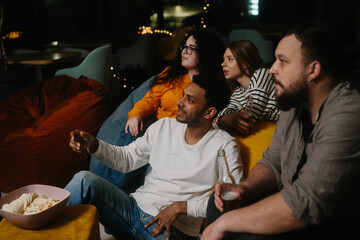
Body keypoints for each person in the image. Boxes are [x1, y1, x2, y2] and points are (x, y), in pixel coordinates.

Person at [202, 22, 360, 240]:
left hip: (330, 222)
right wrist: (243, 190)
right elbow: (273, 161)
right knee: (218, 205)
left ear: (313, 70)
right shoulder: (294, 103)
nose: (272, 68)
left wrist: (225, 224)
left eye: (282, 61)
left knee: (238, 229)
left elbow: (307, 200)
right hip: (292, 200)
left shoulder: (348, 112)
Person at [66, 75, 243, 240]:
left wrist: (181, 207)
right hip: (131, 209)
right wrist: (94, 144)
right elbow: (127, 158)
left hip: (170, 230)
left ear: (209, 112)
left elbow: (232, 200)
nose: (180, 102)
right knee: (83, 180)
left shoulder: (224, 145)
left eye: (190, 100)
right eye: (183, 96)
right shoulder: (165, 126)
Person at [92, 28, 226, 193]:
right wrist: (135, 115)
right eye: (184, 46)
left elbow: (212, 117)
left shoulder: (212, 86)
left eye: (192, 48)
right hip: (154, 127)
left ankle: (104, 193)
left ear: (206, 53)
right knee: (132, 132)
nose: (185, 51)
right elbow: (149, 100)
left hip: (178, 135)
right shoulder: (171, 74)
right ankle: (96, 188)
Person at [213, 40, 280, 135]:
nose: (223, 64)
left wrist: (229, 119)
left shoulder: (263, 73)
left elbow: (249, 120)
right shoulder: (238, 92)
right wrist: (224, 119)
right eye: (224, 59)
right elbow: (215, 125)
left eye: (230, 59)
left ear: (246, 63)